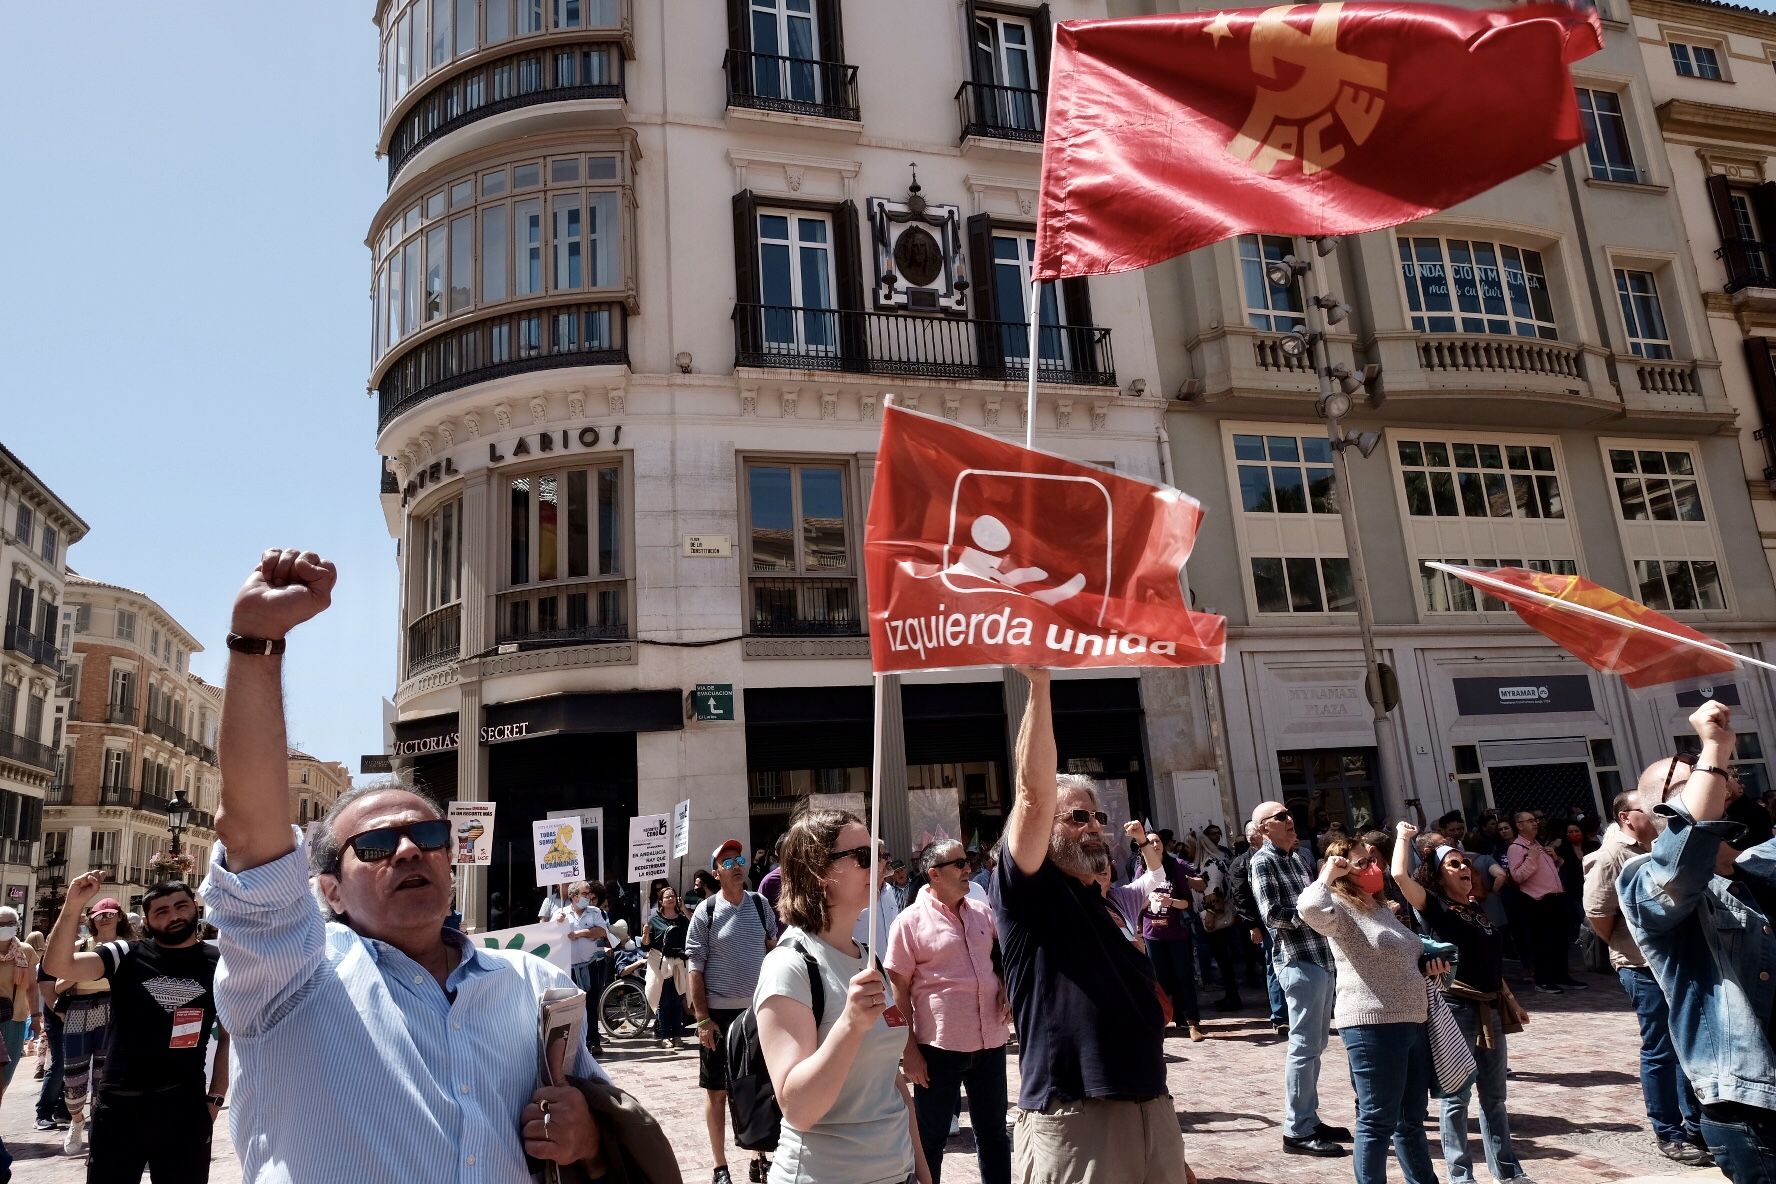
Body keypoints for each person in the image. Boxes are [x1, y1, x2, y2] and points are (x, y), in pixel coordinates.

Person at [200, 548, 607, 1181]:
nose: (409, 849)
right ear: (328, 889)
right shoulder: (290, 979)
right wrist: (256, 641)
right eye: (377, 846)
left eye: (426, 834)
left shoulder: (531, 985)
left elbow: (595, 1113)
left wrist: (586, 1136)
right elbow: (250, 833)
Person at [994, 668, 1193, 1184]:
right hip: (1079, 1113)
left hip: (1149, 1106)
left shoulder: (1102, 904)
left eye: (1098, 817)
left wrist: (1163, 1139)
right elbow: (1034, 795)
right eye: (1078, 817)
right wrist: (1039, 684)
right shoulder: (1030, 893)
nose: (1095, 826)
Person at [1621, 700, 1776, 1181]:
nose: (1721, 775)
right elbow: (1684, 857)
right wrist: (1713, 747)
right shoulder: (1643, 879)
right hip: (1752, 1106)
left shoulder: (1759, 865)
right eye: (1695, 774)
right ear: (1663, 809)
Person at [754, 807, 927, 1184]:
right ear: (819, 873)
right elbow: (797, 1107)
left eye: (878, 854)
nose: (880, 864)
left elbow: (890, 1081)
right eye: (863, 856)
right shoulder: (789, 966)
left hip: (897, 1172)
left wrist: (922, 1169)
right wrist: (849, 1026)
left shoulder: (870, 960)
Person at [43, 879, 231, 1183]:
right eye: (161, 911)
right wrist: (74, 904)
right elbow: (59, 966)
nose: (174, 916)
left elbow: (227, 1035)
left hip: (183, 1107)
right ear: (146, 921)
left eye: (181, 906)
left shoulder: (218, 964)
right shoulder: (124, 954)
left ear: (195, 909)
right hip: (118, 1107)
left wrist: (216, 1098)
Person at [1393, 822, 1534, 1184]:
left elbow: (1492, 966)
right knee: (1456, 1096)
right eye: (1454, 864)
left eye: (1464, 864)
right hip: (1457, 1009)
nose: (1464, 869)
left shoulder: (1477, 911)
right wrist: (1403, 837)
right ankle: (1461, 1176)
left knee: (1495, 1097)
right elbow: (1398, 874)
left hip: (1491, 1008)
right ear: (1439, 876)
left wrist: (1511, 1001)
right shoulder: (1436, 908)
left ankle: (1508, 1172)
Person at [1299, 838, 1443, 1184]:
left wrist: (1427, 964)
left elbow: (1401, 955)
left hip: (1412, 1019)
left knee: (1410, 1120)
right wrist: (1326, 877)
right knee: (1377, 1120)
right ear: (1343, 870)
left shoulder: (1379, 908)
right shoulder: (1338, 908)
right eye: (1362, 863)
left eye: (1372, 859)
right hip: (1373, 1023)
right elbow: (1307, 909)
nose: (1373, 867)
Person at [1583, 788, 1711, 1166]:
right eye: (1649, 810)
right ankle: (1668, 1132)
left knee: (1690, 1042)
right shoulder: (1610, 857)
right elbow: (1597, 914)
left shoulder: (1668, 846)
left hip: (1679, 960)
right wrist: (1631, 945)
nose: (1659, 816)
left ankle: (1697, 1125)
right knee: (1660, 1048)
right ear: (1626, 817)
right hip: (1640, 966)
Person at [886, 838, 1012, 1184]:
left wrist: (1006, 989)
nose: (967, 868)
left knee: (994, 1134)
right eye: (958, 864)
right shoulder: (909, 923)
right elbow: (899, 992)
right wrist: (908, 1052)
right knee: (931, 1139)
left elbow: (1001, 960)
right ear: (934, 875)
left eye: (967, 861)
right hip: (938, 1049)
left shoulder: (982, 912)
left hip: (990, 1042)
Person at [1250, 801, 1351, 1158]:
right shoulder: (1262, 861)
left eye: (1289, 814)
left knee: (1316, 1046)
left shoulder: (1297, 856)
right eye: (1280, 817)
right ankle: (1296, 1130)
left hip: (1321, 957)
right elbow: (1273, 915)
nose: (1289, 820)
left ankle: (1309, 1117)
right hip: (1297, 961)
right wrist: (1312, 914)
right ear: (1263, 828)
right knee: (1304, 1046)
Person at [686, 837, 778, 1184]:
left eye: (738, 859)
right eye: (727, 863)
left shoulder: (759, 905)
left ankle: (760, 1156)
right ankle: (720, 1166)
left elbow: (774, 950)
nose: (736, 865)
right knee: (718, 1092)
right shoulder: (706, 912)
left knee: (759, 1087)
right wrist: (703, 1020)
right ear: (716, 873)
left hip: (757, 1014)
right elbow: (695, 968)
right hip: (719, 1019)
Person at [57, 897, 122, 1156]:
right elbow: (59, 984)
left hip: (112, 1009)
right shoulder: (81, 945)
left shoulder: (128, 947)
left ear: (119, 917)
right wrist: (89, 969)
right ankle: (76, 1120)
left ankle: (99, 1130)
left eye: (110, 913)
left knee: (104, 1077)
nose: (105, 918)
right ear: (92, 919)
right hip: (79, 1009)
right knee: (73, 1075)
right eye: (99, 914)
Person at [1137, 837, 1208, 1042]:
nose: (1155, 845)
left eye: (1158, 841)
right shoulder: (1141, 870)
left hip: (1177, 933)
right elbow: (1136, 900)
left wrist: (1170, 901)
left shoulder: (1175, 866)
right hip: (1153, 934)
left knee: (1184, 976)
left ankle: (1192, 1022)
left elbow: (1187, 902)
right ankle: (1162, 1021)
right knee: (1159, 980)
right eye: (1149, 843)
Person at [1505, 812, 1582, 994]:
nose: (1535, 823)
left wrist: (1555, 859)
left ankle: (1561, 976)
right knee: (1543, 942)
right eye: (1530, 821)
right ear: (1519, 825)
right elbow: (1517, 876)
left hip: (1556, 897)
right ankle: (1543, 979)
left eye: (1535, 820)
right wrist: (1532, 857)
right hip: (1537, 900)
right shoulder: (1516, 848)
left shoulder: (1537, 844)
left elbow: (1548, 871)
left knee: (1560, 940)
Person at [1230, 820, 1287, 1031]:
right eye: (1259, 833)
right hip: (1264, 922)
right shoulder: (1241, 863)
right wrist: (1253, 925)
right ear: (1251, 838)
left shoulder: (1280, 855)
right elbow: (1241, 897)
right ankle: (1280, 1016)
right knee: (1273, 965)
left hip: (1286, 917)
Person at [553, 881, 610, 1052]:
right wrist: (557, 923)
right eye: (585, 894)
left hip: (590, 965)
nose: (588, 897)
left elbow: (602, 931)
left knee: (591, 1004)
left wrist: (580, 933)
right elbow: (551, 936)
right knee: (570, 1006)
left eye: (589, 893)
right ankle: (573, 1043)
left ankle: (593, 1042)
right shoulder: (560, 913)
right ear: (573, 896)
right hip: (568, 969)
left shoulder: (595, 912)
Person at [32, 931, 70, 1134]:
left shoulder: (75, 958)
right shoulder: (48, 964)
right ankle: (43, 1113)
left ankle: (63, 1110)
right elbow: (50, 997)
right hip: (59, 1021)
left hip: (79, 1019)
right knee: (60, 1065)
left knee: (73, 1066)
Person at [644, 884, 690, 1046]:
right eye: (667, 897)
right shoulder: (654, 921)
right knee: (664, 1002)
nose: (670, 899)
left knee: (677, 1001)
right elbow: (646, 946)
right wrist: (645, 935)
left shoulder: (683, 920)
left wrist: (683, 909)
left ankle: (677, 1035)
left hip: (678, 963)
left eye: (673, 896)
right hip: (659, 964)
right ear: (661, 901)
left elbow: (693, 931)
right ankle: (665, 1036)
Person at [855, 845, 902, 952]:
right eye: (885, 856)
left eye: (889, 855)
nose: (890, 860)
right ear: (872, 861)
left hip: (890, 965)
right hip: (865, 965)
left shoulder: (890, 890)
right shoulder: (856, 893)